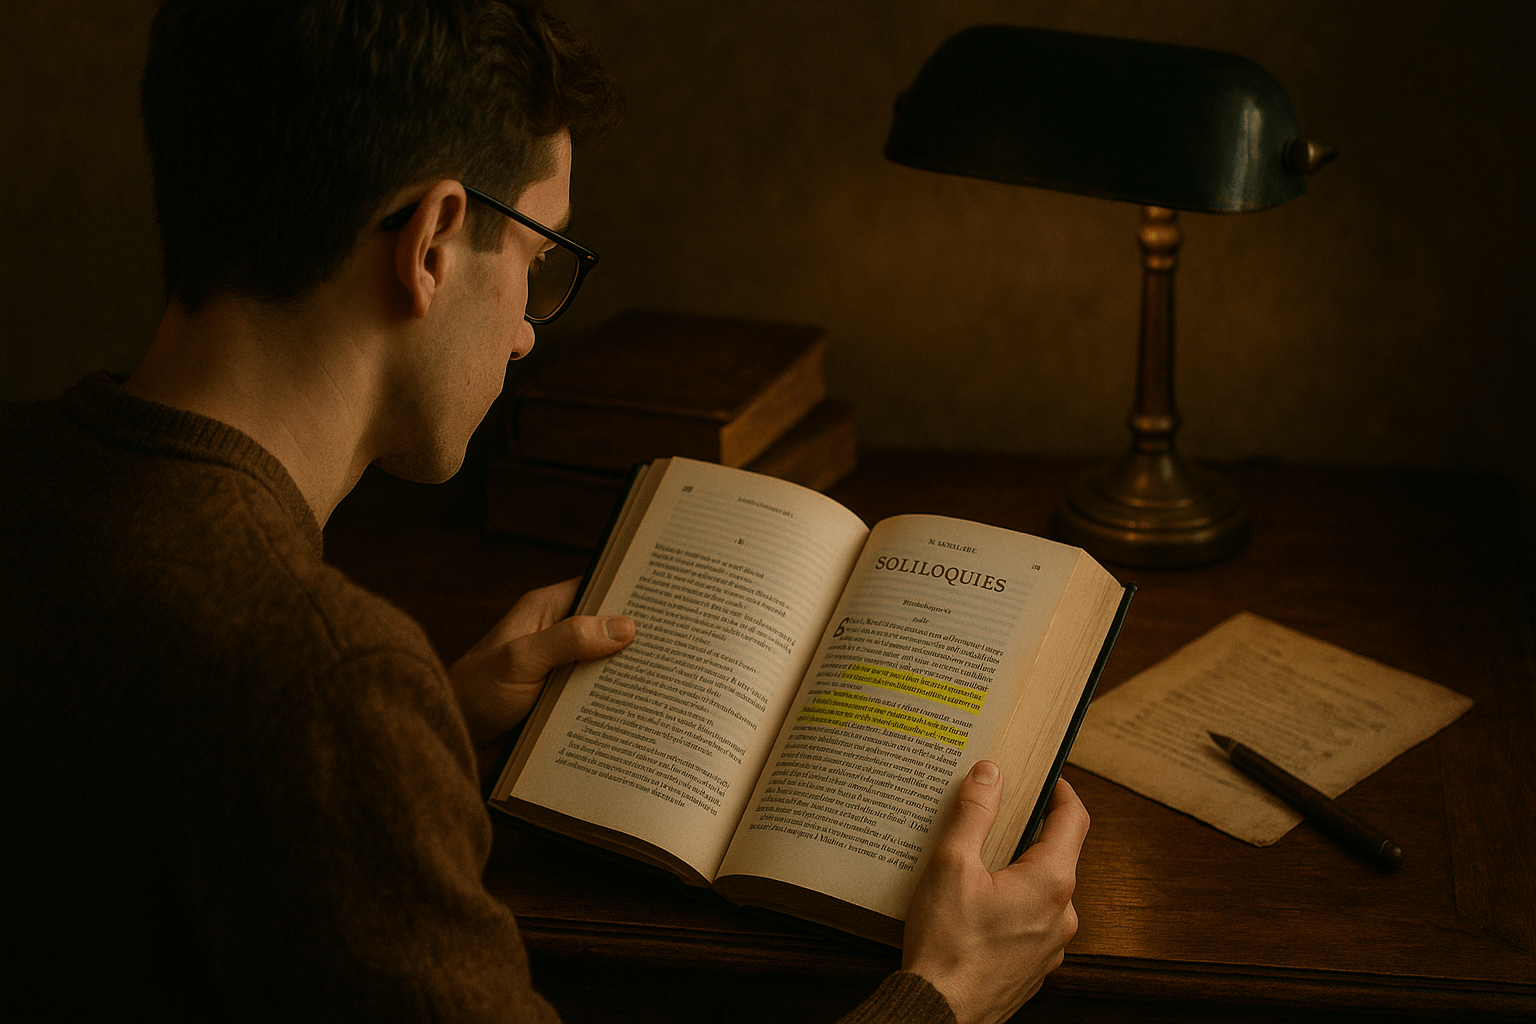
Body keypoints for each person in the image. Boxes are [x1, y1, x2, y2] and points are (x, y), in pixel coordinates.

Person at [0, 1, 1088, 1021]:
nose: (527, 331)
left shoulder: (33, 466)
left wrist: (431, 725)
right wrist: (942, 992)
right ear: (431, 242)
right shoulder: (327, 684)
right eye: (535, 255)